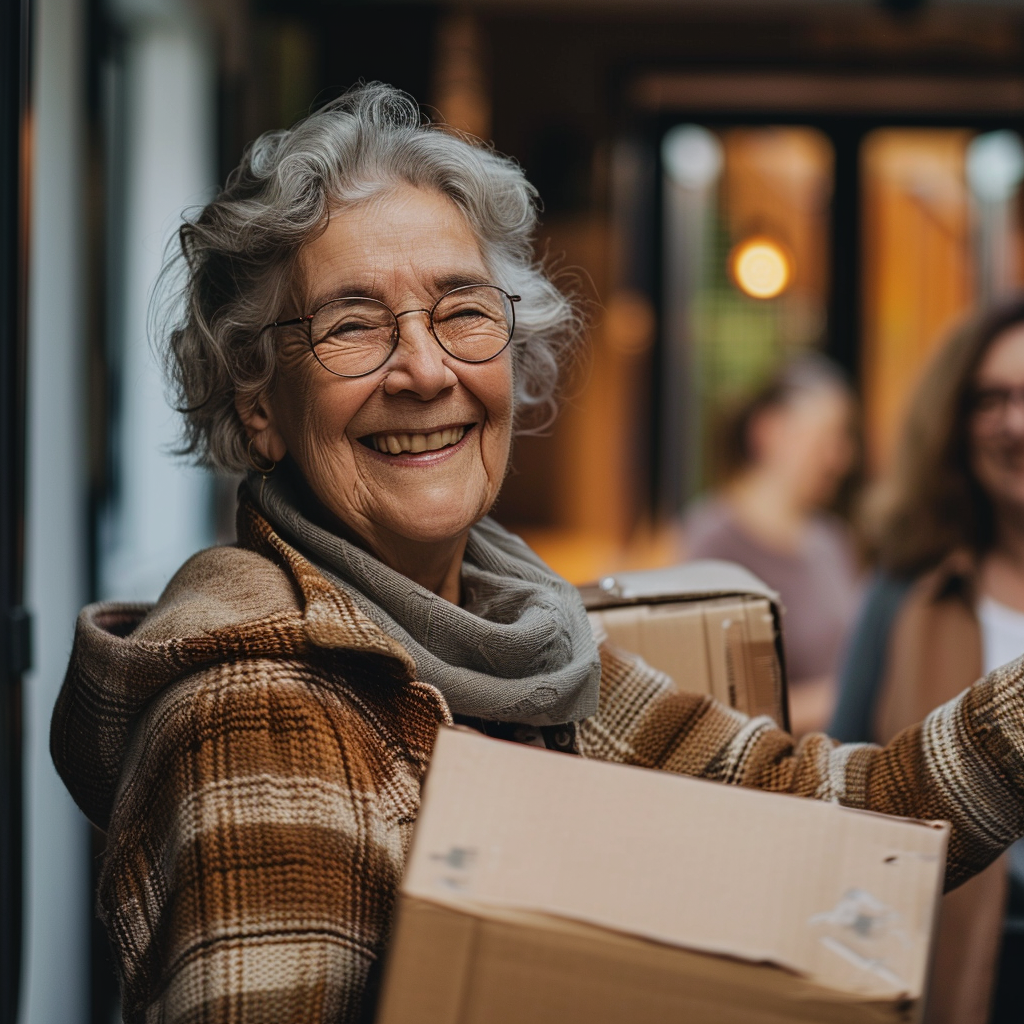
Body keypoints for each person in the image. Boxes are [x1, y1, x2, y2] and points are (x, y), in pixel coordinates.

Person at [49, 85, 1024, 1024]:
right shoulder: (257, 717)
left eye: (463, 310)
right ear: (259, 404)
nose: (425, 369)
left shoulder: (523, 640)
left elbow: (843, 821)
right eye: (351, 324)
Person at [831, 296, 1024, 1024]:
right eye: (990, 399)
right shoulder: (905, 592)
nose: (1014, 423)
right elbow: (844, 775)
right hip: (942, 971)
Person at [684, 355, 860, 735]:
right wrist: (844, 696)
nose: (840, 458)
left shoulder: (831, 541)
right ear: (769, 431)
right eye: (826, 438)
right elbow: (711, 709)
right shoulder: (713, 542)